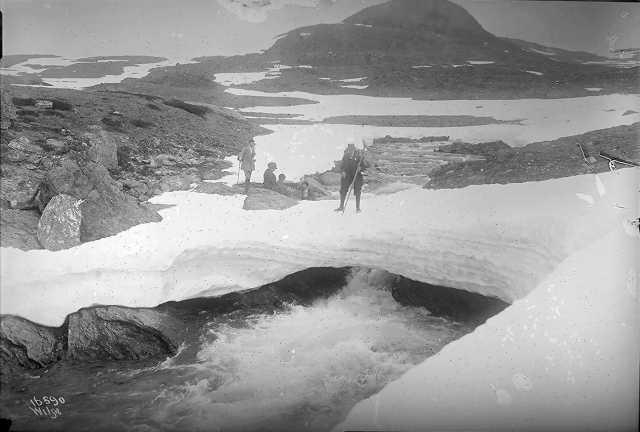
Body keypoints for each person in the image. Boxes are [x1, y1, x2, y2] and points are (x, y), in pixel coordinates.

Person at [335, 141, 369, 213]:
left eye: (351, 149)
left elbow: (365, 166)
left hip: (356, 175)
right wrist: (343, 171)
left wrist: (361, 168)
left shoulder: (359, 156)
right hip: (347, 175)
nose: (349, 151)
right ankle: (341, 207)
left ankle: (358, 208)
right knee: (343, 189)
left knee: (357, 191)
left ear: (354, 149)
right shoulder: (345, 155)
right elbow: (342, 166)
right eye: (349, 149)